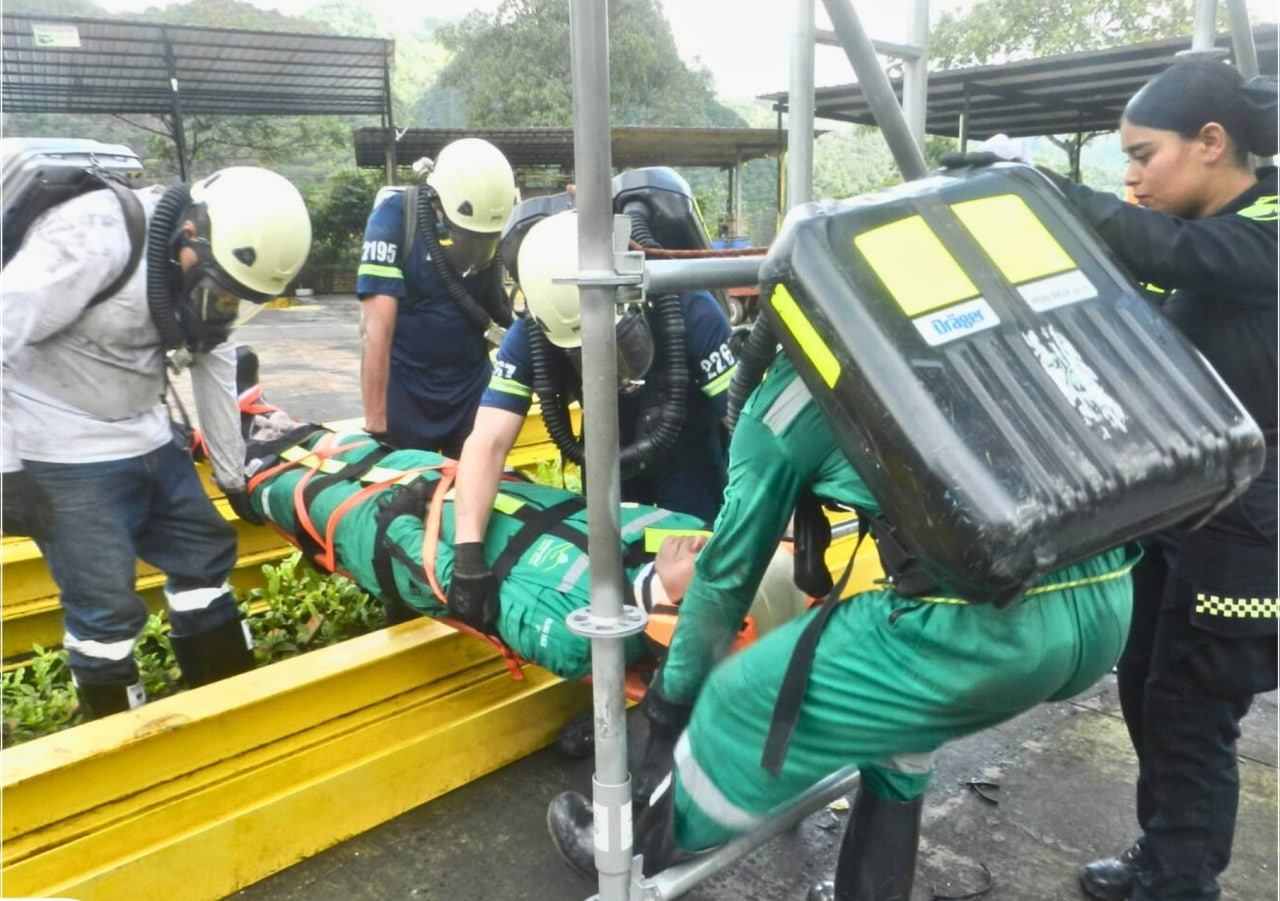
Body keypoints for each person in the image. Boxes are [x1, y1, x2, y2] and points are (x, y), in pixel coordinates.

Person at [546, 346, 1138, 898]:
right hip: (1108, 591)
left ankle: (632, 856)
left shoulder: (795, 391)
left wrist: (670, 704)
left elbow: (725, 580)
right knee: (900, 735)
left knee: (740, 700)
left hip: (988, 627)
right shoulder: (967, 341)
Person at [1034, 59, 1276, 901]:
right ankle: (1166, 851)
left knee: (1191, 709)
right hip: (1184, 510)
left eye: (1143, 155)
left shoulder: (1268, 222)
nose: (1130, 176)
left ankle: (1181, 883)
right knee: (1147, 686)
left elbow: (1175, 249)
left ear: (1212, 143)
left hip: (1248, 531)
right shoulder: (1210, 244)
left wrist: (1046, 190)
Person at [1, 165, 312, 719]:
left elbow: (214, 357)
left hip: (147, 434)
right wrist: (7, 469)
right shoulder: (90, 238)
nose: (222, 304)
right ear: (190, 235)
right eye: (220, 289)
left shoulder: (205, 270)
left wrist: (232, 474)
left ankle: (227, 709)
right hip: (65, 452)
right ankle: (120, 744)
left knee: (203, 556)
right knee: (105, 611)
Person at [240, 420, 809, 680]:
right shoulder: (682, 534)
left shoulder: (573, 635)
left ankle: (256, 469)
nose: (702, 549)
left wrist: (409, 520)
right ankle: (283, 429)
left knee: (284, 486)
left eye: (705, 571)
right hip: (464, 491)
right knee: (354, 452)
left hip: (403, 530)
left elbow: (454, 587)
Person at [448, 205, 738, 637]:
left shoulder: (691, 312)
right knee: (612, 575)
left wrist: (775, 524)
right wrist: (467, 552)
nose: (607, 365)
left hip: (688, 453)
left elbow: (749, 429)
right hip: (605, 462)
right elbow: (487, 441)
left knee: (695, 584)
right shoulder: (533, 332)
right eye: (583, 352)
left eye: (618, 345)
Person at [357, 138, 516, 456]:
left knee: (474, 493)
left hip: (471, 386)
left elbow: (502, 311)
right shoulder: (394, 220)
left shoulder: (488, 221)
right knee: (411, 496)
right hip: (409, 394)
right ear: (438, 204)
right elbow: (377, 333)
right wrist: (376, 426)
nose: (474, 250)